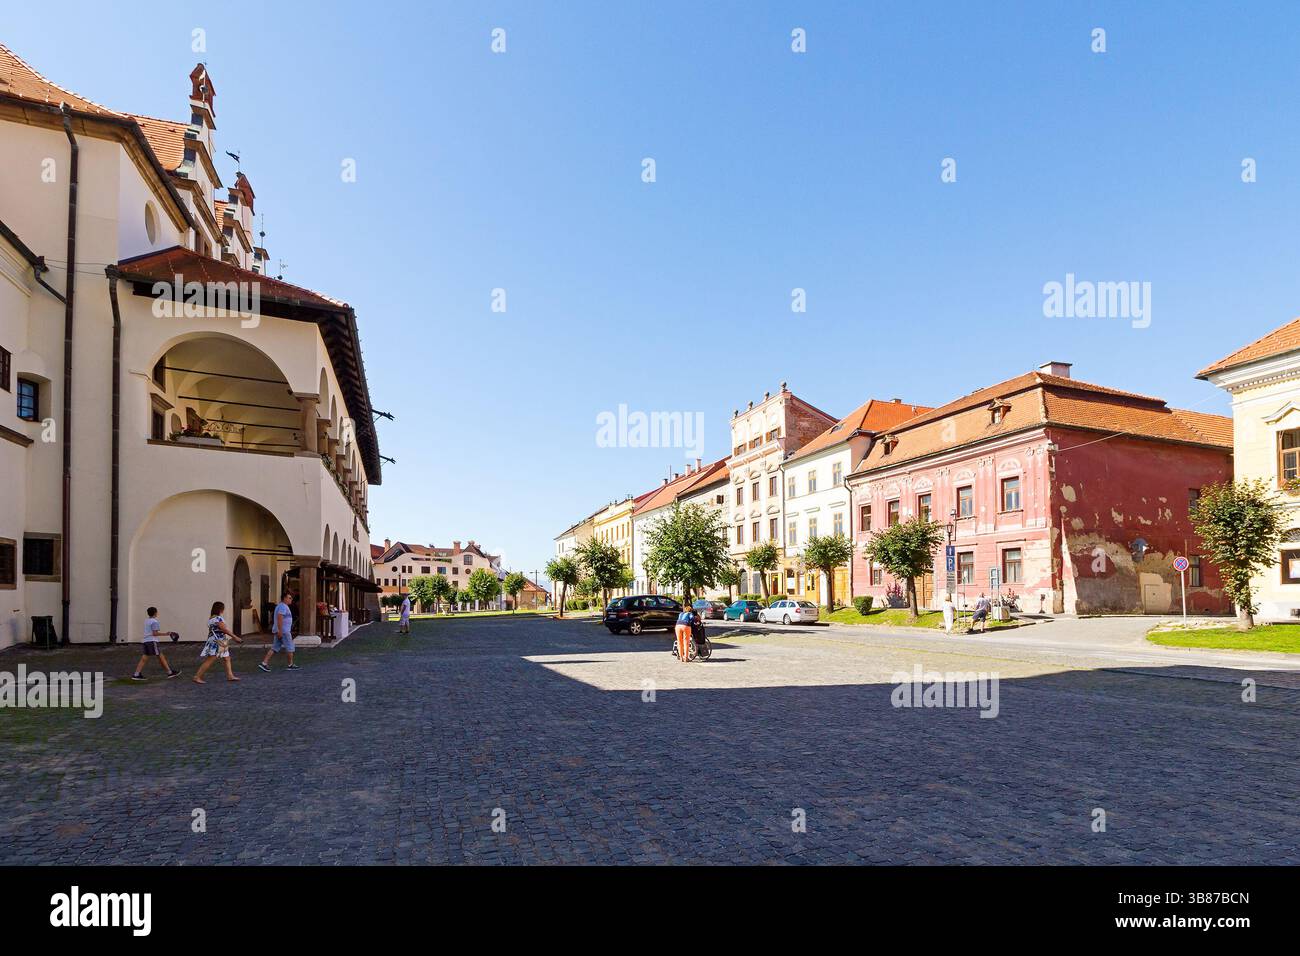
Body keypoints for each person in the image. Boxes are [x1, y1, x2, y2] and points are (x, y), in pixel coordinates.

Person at [193, 601, 243, 683]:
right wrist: (235, 637)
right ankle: (197, 676)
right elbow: (224, 629)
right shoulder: (218, 618)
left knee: (227, 658)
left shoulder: (211, 618)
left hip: (217, 640)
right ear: (221, 609)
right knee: (211, 659)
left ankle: (230, 675)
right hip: (218, 641)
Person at [131, 606, 182, 680]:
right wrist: (166, 634)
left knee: (144, 658)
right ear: (155, 613)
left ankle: (136, 674)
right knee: (161, 657)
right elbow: (155, 633)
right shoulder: (155, 622)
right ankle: (170, 672)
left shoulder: (146, 621)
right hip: (152, 641)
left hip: (146, 641)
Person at [258, 591, 298, 672]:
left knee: (275, 647)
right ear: (284, 598)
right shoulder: (283, 606)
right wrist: (280, 631)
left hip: (281, 631)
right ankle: (290, 664)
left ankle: (264, 663)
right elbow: (280, 618)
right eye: (289, 598)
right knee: (290, 647)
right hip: (284, 631)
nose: (291, 599)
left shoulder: (283, 606)